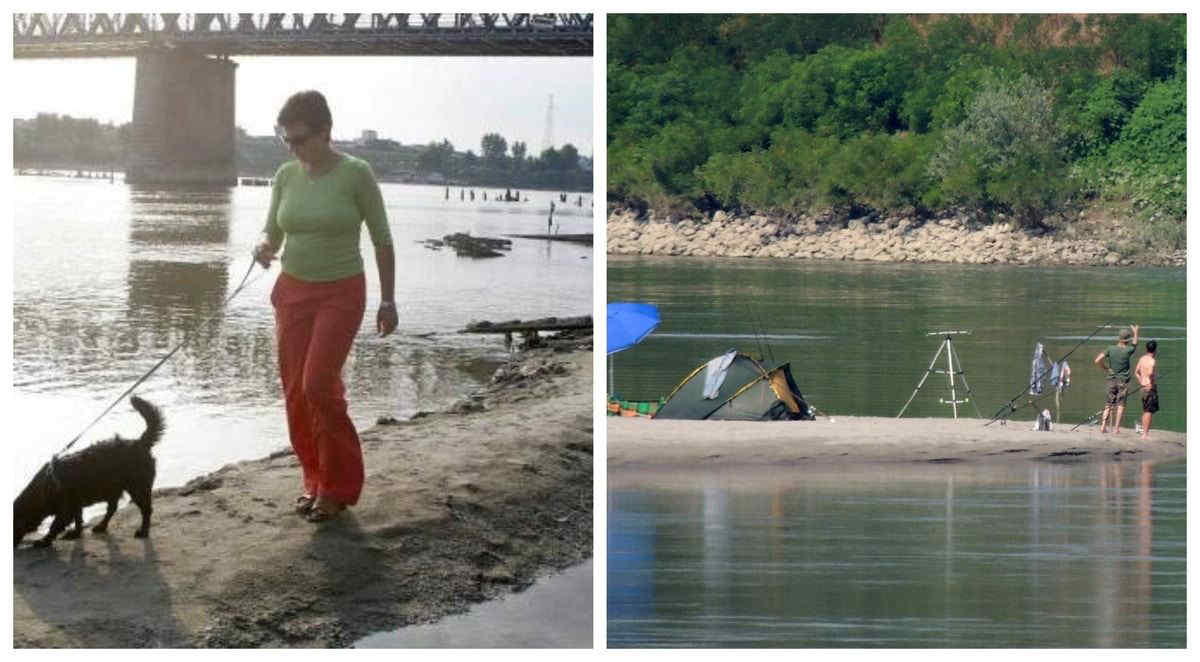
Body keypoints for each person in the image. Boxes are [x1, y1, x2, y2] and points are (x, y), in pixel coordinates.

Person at [253, 90, 398, 523]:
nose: (295, 149)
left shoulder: (357, 173)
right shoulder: (284, 176)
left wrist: (389, 300)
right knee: (296, 392)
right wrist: (262, 247)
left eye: (300, 139)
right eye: (287, 142)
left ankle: (340, 487)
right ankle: (314, 480)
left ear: (325, 132)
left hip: (341, 292)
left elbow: (382, 239)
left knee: (318, 384)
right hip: (292, 291)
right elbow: (272, 233)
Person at [1093, 324, 1139, 434]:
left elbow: (1097, 360)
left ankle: (1103, 426)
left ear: (1119, 338)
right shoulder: (1128, 350)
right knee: (1121, 404)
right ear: (1127, 340)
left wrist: (1105, 368)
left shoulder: (1110, 348)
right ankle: (1116, 428)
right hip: (1123, 381)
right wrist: (1136, 332)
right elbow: (1135, 343)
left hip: (1111, 379)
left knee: (1108, 403)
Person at [1133, 340, 1158, 440]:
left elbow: (1136, 372)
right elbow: (1151, 373)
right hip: (1149, 388)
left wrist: (1142, 381)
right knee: (1149, 411)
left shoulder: (1142, 358)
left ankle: (1144, 432)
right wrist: (1150, 382)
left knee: (1145, 410)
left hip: (1142, 388)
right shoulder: (1152, 361)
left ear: (1146, 349)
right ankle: (1145, 435)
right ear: (1155, 350)